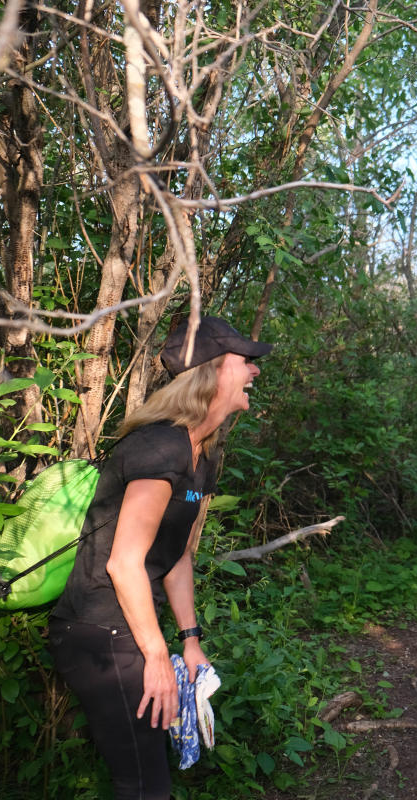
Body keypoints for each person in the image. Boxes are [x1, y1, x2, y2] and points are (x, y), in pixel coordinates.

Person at [48, 316, 272, 799]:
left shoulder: (202, 452)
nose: (255, 371)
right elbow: (123, 562)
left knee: (147, 775)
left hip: (129, 624)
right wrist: (156, 658)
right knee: (144, 781)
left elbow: (178, 557)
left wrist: (189, 641)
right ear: (213, 372)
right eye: (245, 361)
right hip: (98, 629)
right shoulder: (161, 445)